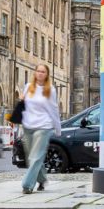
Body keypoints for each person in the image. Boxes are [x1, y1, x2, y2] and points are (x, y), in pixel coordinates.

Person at [20, 64, 61, 194]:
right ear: (35, 73)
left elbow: (54, 109)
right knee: (31, 157)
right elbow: (23, 106)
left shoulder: (50, 90)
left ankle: (27, 185)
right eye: (38, 71)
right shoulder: (28, 87)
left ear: (47, 74)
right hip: (28, 126)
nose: (40, 73)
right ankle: (42, 179)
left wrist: (58, 128)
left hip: (44, 126)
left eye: (43, 72)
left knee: (36, 157)